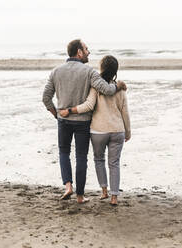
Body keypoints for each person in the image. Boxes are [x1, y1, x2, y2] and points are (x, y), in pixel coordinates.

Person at [42, 39, 126, 204]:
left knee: (64, 153)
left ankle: (68, 186)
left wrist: (56, 114)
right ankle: (80, 196)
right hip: (82, 122)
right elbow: (107, 90)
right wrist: (119, 86)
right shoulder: (89, 72)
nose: (89, 52)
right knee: (81, 157)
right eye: (86, 49)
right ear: (79, 52)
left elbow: (46, 98)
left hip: (64, 120)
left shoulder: (56, 71)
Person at [59, 55, 131, 206]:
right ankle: (114, 197)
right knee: (114, 163)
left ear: (101, 68)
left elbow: (88, 106)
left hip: (98, 131)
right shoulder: (121, 89)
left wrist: (70, 110)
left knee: (99, 160)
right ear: (115, 70)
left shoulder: (96, 88)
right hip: (117, 130)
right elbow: (125, 112)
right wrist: (128, 132)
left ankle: (104, 191)